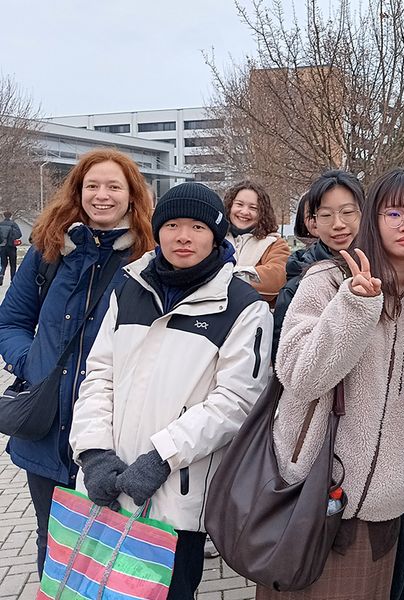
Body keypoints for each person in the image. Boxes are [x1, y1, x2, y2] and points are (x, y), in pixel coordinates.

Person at [69, 182, 273, 600]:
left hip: (176, 498)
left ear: (217, 235)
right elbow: (99, 375)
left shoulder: (241, 304)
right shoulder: (129, 288)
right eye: (173, 225)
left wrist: (163, 455)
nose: (183, 236)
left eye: (198, 226)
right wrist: (92, 451)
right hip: (107, 483)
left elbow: (236, 401)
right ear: (157, 230)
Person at [262, 168, 404, 600]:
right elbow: (298, 376)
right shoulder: (326, 281)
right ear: (374, 218)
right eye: (395, 213)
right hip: (309, 492)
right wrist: (354, 305)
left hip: (386, 506)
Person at [0, 148, 155, 576]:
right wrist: (31, 363)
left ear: (132, 195)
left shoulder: (146, 259)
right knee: (53, 542)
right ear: (77, 191)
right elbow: (10, 321)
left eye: (113, 187)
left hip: (114, 435)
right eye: (92, 186)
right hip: (46, 430)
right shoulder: (49, 249)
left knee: (114, 551)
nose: (101, 195)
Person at [272, 170, 364, 352]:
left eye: (347, 212)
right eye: (326, 215)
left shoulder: (389, 269)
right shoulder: (297, 284)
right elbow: (283, 354)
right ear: (314, 223)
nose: (338, 224)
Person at [224, 180, 291, 307]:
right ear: (229, 206)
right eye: (239, 204)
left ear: (262, 213)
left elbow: (276, 277)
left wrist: (228, 274)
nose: (244, 212)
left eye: (253, 208)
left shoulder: (274, 244)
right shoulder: (214, 240)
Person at [0, 211, 22, 285]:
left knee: (3, 263)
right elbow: (19, 234)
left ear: (4, 216)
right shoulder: (13, 224)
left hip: (2, 247)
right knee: (13, 264)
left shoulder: (0, 224)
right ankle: (13, 279)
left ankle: (1, 275)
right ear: (10, 216)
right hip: (11, 247)